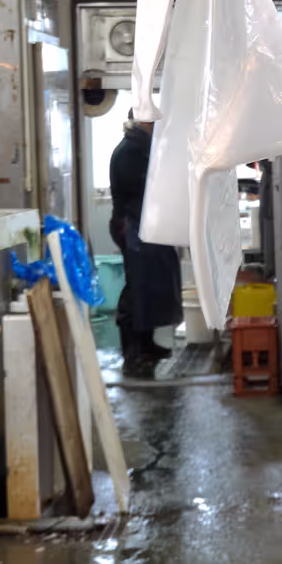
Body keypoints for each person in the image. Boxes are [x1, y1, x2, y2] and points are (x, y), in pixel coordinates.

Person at [109, 109, 183, 373]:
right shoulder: (130, 150)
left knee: (149, 288)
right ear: (142, 120)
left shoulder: (144, 147)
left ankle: (147, 344)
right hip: (130, 227)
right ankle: (132, 354)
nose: (157, 125)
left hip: (145, 227)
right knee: (136, 288)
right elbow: (140, 194)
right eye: (153, 120)